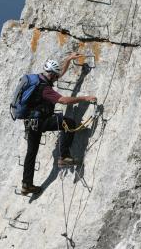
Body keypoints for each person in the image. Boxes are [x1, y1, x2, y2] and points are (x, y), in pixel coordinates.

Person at [21, 54, 97, 196]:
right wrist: (84, 98)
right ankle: (64, 157)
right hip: (42, 122)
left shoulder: (38, 79)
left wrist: (68, 60)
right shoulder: (45, 89)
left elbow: (59, 73)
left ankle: (26, 184)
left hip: (30, 123)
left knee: (31, 153)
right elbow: (64, 101)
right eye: (55, 77)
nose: (57, 79)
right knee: (68, 123)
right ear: (51, 75)